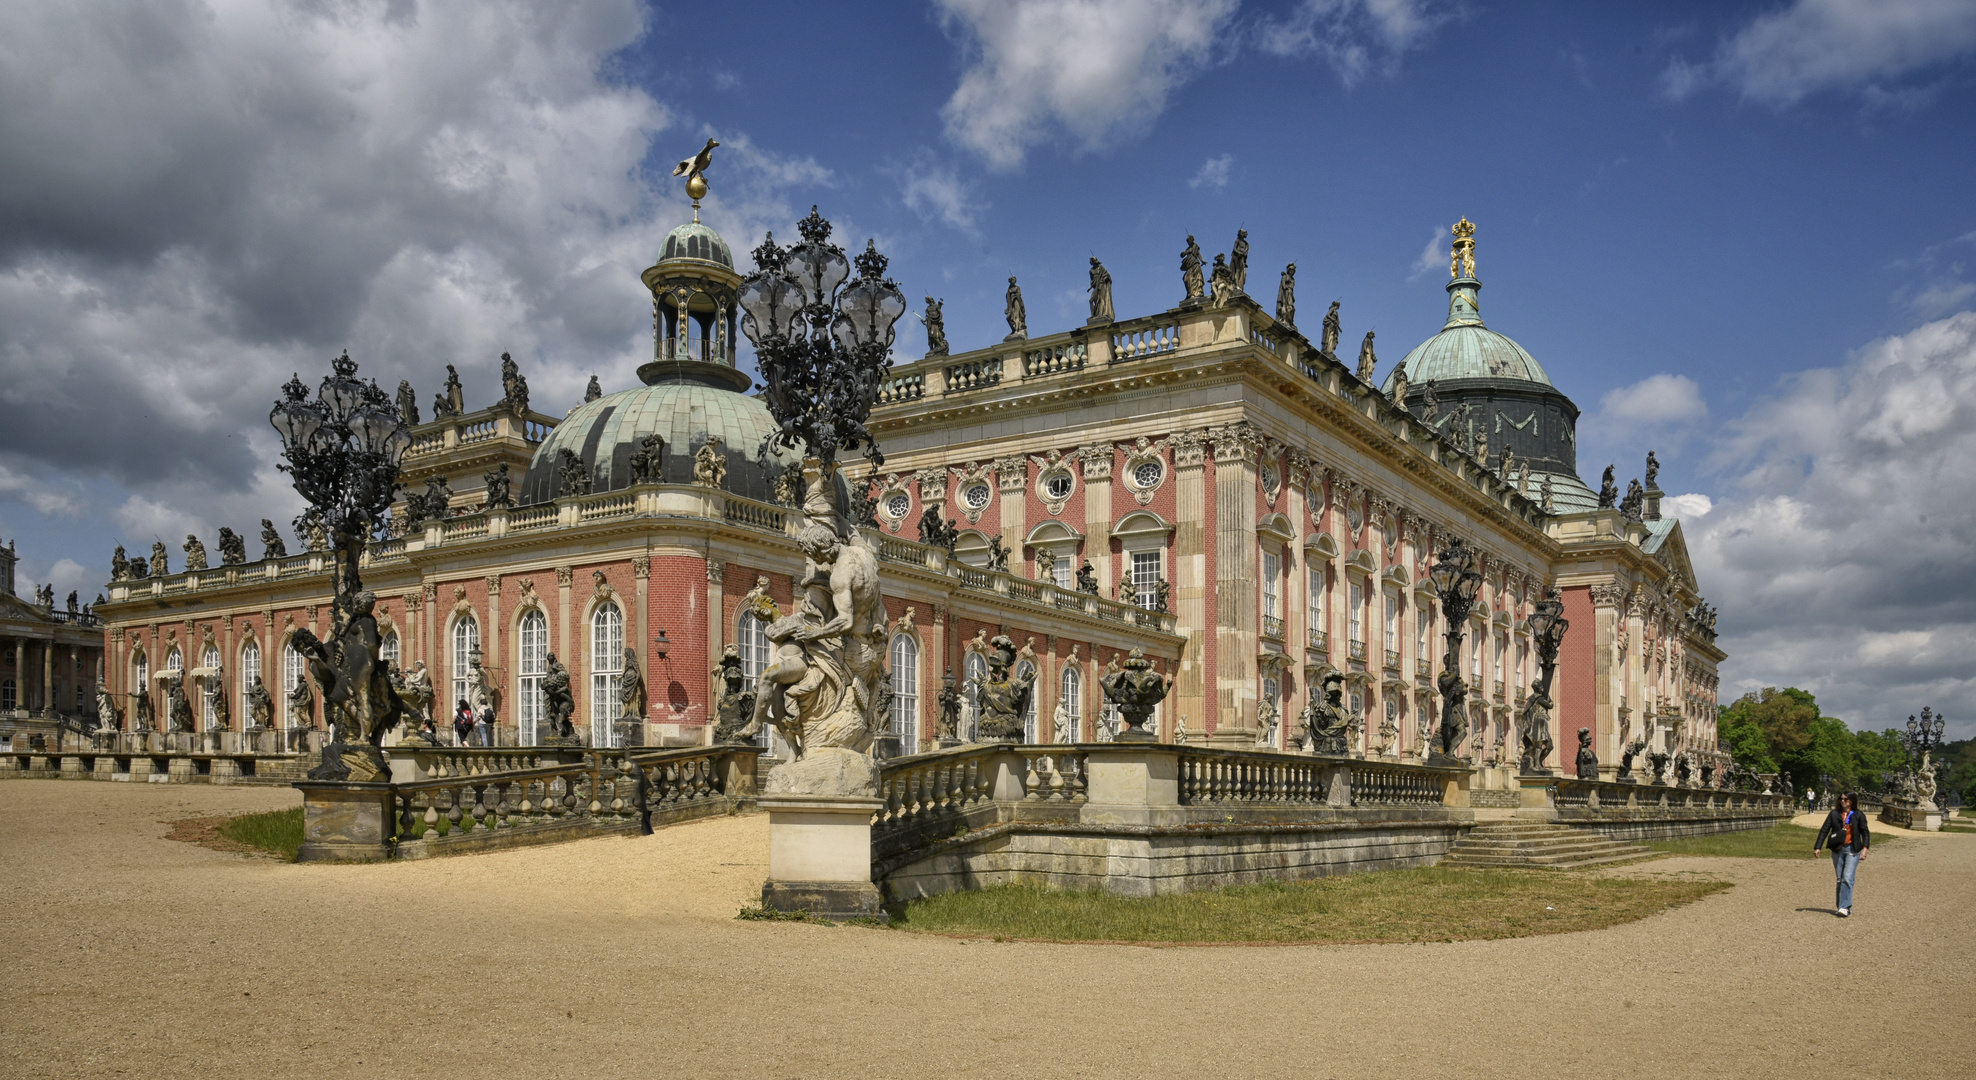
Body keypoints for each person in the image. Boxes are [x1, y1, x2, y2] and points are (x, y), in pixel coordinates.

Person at [1812, 792, 1870, 917]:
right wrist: (1818, 846)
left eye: (1846, 799)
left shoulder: (1858, 815)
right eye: (1841, 799)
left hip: (1852, 849)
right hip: (1837, 849)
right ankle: (1842, 906)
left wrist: (1865, 848)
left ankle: (1845, 907)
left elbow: (1865, 832)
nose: (1843, 801)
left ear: (1852, 801)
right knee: (1840, 879)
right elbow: (1824, 830)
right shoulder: (1834, 814)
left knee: (1848, 877)